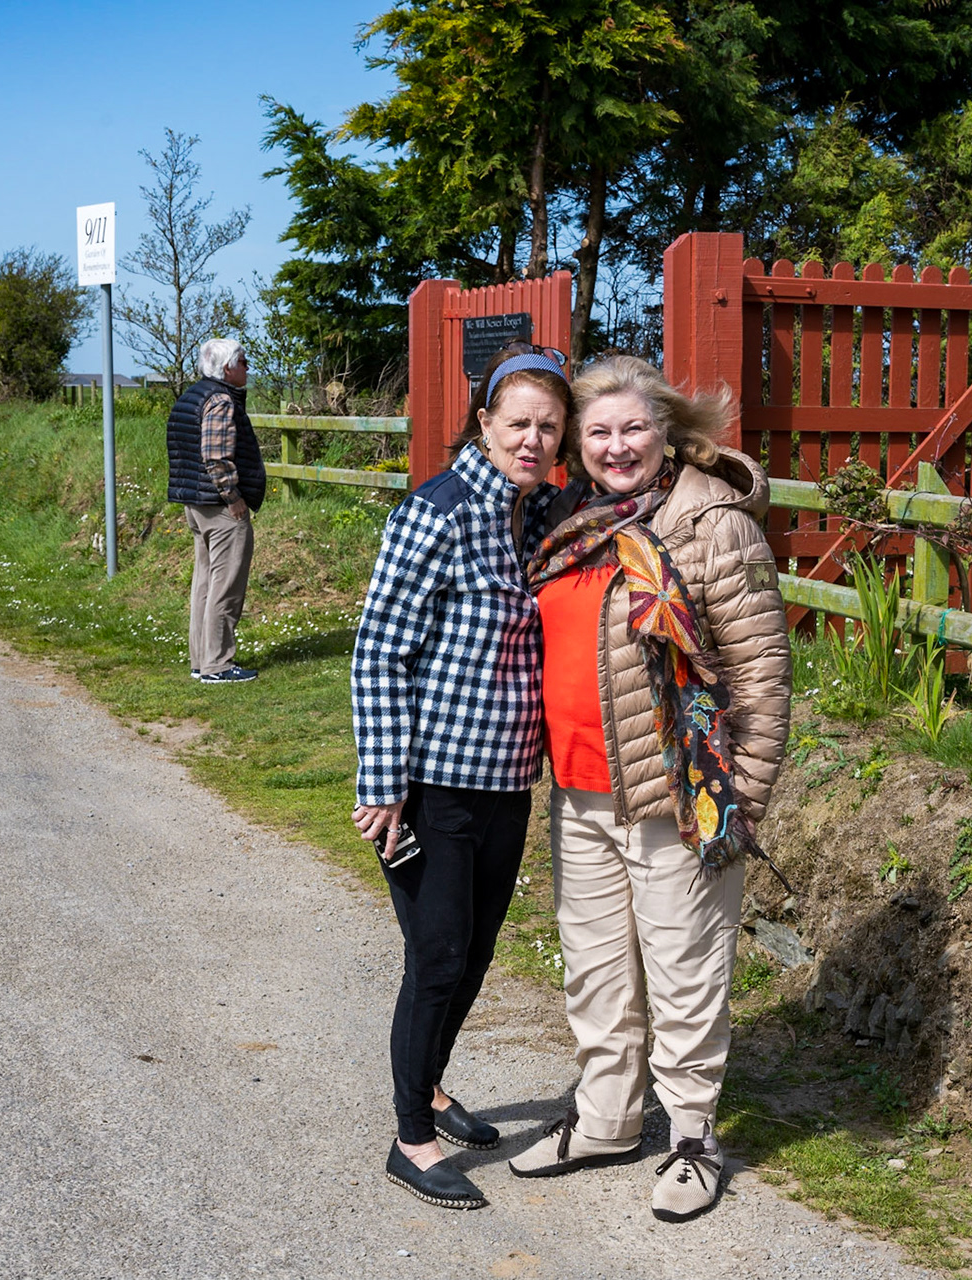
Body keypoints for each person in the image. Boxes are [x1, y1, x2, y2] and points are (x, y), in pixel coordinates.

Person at [509, 355, 792, 1223]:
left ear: (668, 428)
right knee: (596, 973)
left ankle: (692, 1136)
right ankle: (606, 1117)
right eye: (597, 431)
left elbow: (762, 677)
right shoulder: (569, 525)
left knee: (684, 970)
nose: (616, 445)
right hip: (582, 793)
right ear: (577, 446)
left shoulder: (708, 523)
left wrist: (734, 798)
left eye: (633, 427)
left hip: (680, 796)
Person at [350, 345, 570, 1211]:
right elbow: (379, 652)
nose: (533, 437)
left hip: (508, 780)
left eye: (547, 426)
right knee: (437, 957)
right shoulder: (436, 513)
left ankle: (434, 1088)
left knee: (474, 955)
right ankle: (410, 1137)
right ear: (484, 423)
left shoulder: (544, 510)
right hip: (432, 786)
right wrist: (383, 785)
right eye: (517, 421)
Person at [166, 338, 265, 683]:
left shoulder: (191, 395)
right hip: (220, 506)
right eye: (243, 360)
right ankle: (218, 665)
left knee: (205, 584)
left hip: (195, 503)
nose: (247, 367)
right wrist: (233, 496)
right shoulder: (221, 400)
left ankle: (202, 661)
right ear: (227, 368)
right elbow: (215, 457)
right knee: (226, 586)